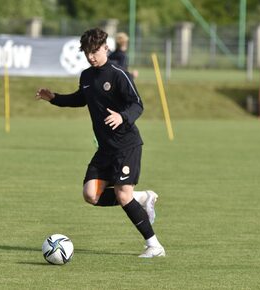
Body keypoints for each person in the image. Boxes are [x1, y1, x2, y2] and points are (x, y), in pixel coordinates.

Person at [36, 28, 165, 258]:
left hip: (127, 144)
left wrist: (121, 116)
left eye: (94, 51)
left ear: (105, 47)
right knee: (90, 195)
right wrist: (54, 98)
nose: (91, 56)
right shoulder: (86, 76)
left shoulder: (118, 74)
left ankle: (154, 245)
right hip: (105, 149)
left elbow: (137, 104)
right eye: (87, 52)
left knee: (123, 195)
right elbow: (80, 99)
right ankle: (142, 198)